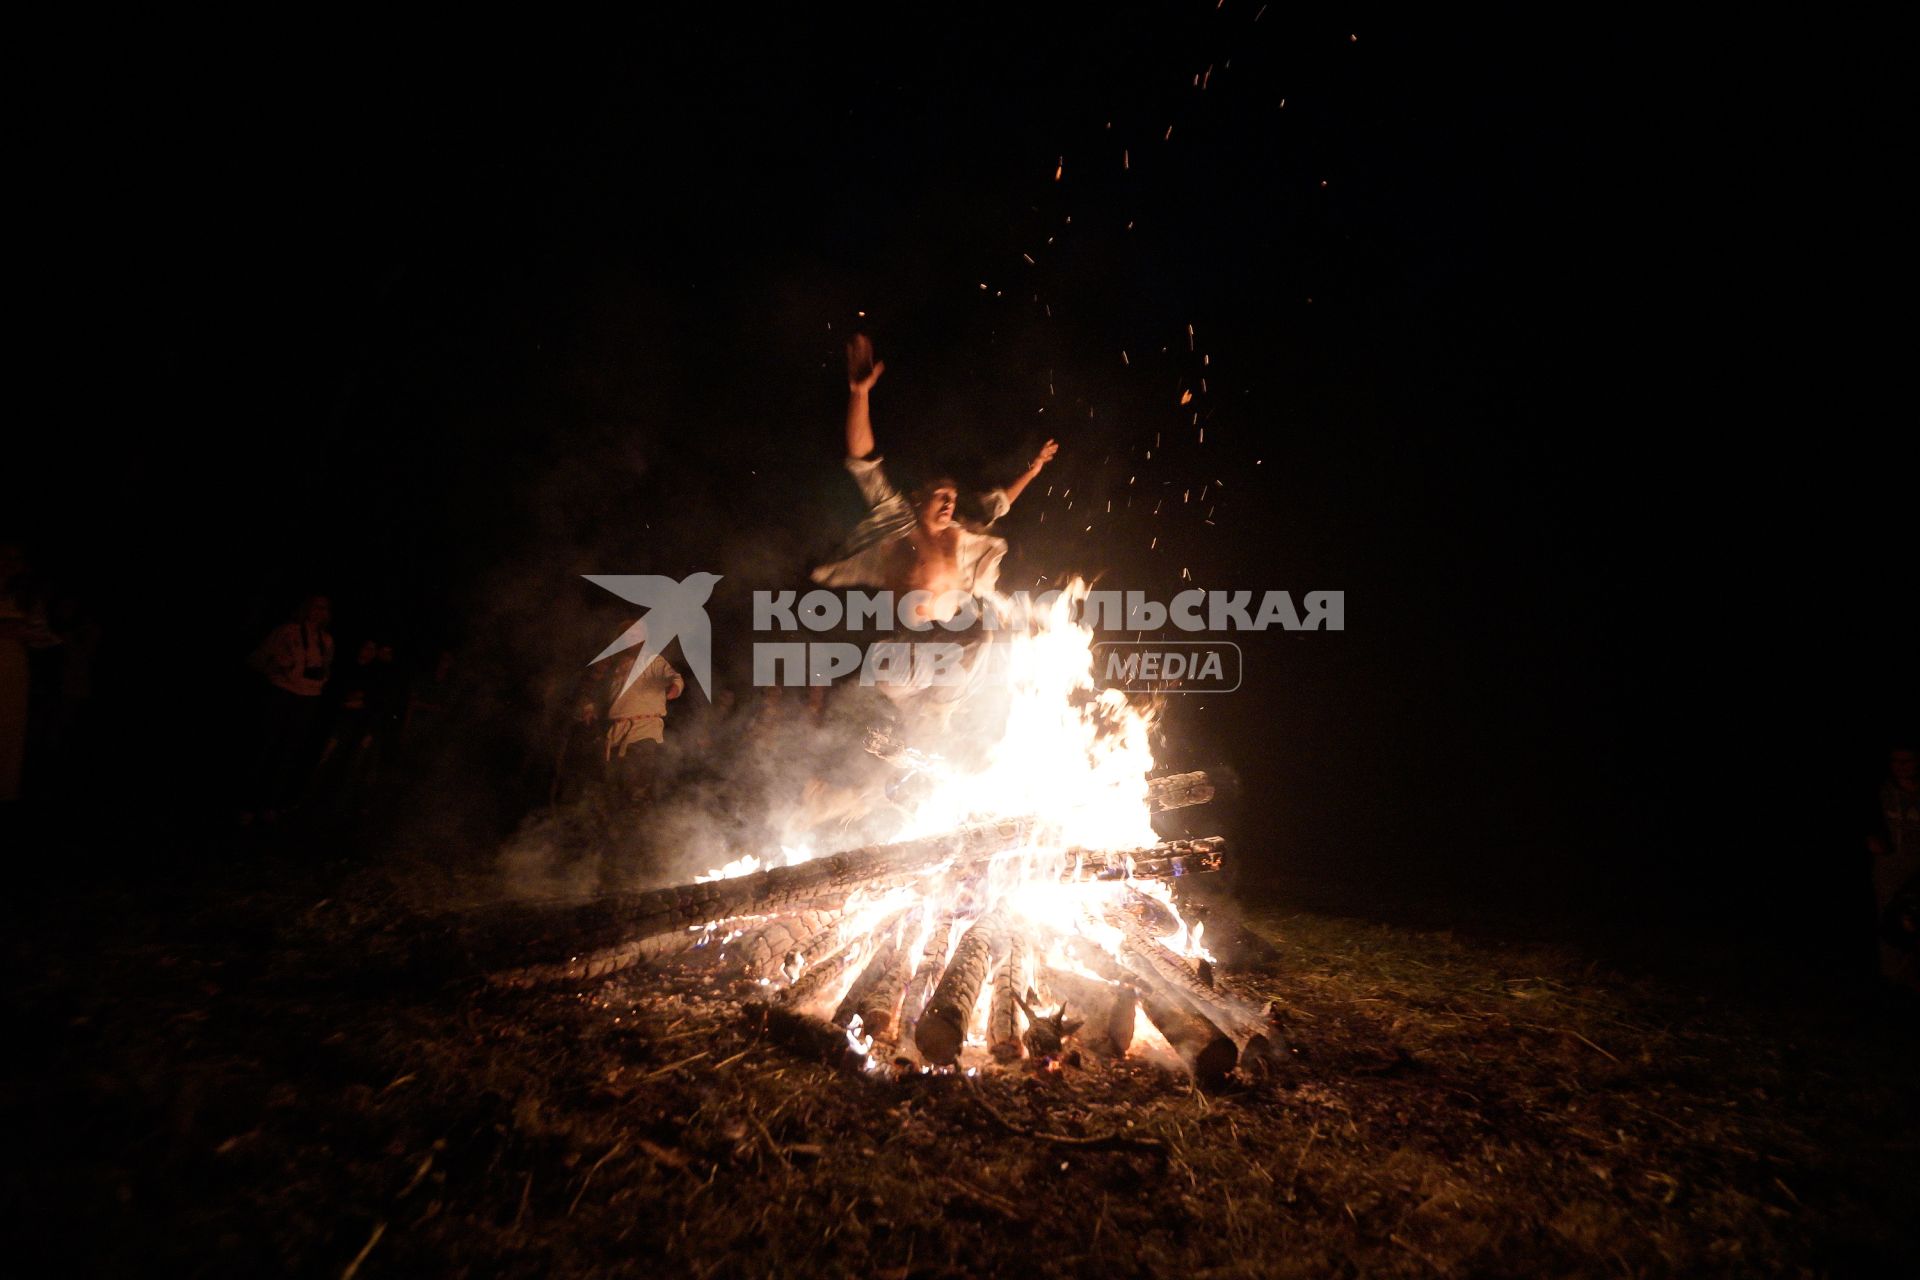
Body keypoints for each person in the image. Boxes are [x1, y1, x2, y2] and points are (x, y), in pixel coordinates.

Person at [811, 335, 1057, 735]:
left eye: (952, 497)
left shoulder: (961, 535)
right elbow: (863, 462)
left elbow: (998, 503)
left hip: (946, 662)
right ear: (918, 498)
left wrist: (1033, 469)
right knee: (966, 642)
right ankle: (906, 727)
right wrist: (859, 394)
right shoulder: (899, 526)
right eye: (940, 496)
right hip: (905, 652)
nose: (948, 503)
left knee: (982, 633)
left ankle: (920, 753)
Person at [244, 594, 333, 821]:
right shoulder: (288, 632)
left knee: (288, 752)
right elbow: (257, 659)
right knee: (266, 747)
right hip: (282, 694)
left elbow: (326, 669)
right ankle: (248, 803)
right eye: (315, 607)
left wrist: (319, 680)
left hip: (308, 698)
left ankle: (270, 803)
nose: (319, 612)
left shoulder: (326, 641)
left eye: (324, 608)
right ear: (306, 608)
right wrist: (280, 667)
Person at [600, 621, 685, 815]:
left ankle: (641, 824)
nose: (633, 638)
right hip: (616, 735)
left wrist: (674, 687)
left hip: (643, 730)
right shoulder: (613, 668)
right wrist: (588, 709)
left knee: (637, 782)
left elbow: (674, 677)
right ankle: (619, 831)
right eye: (628, 634)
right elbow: (599, 696)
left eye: (637, 634)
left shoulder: (652, 660)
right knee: (616, 790)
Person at [1868, 741, 1920, 993]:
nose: (1900, 767)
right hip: (1889, 867)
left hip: (1916, 870)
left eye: (1906, 761)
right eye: (1895, 762)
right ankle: (1892, 979)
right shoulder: (1882, 792)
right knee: (1888, 921)